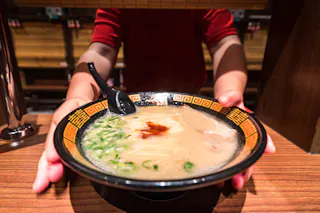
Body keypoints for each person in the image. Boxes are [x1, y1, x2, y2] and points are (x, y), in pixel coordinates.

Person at [33, 8, 276, 193]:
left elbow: (225, 43)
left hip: (191, 102)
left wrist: (230, 97)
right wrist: (77, 98)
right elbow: (101, 50)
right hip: (134, 105)